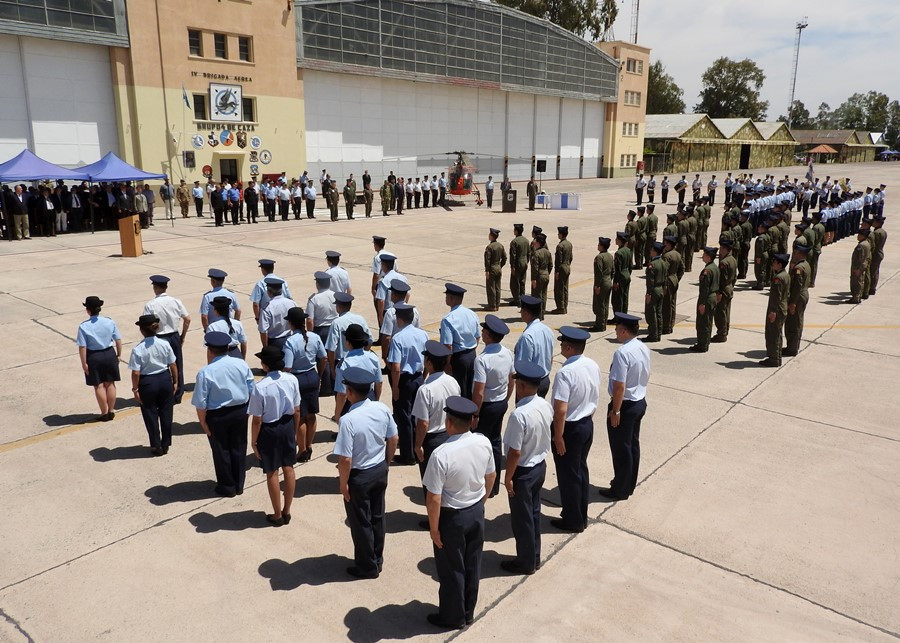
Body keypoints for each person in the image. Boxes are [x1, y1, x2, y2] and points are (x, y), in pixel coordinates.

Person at [423, 396, 495, 630]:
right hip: (475, 511)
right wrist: (480, 501)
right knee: (473, 564)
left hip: (452, 518)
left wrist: (434, 529)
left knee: (452, 568)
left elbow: (434, 498)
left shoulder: (441, 454)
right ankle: (467, 611)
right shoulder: (483, 442)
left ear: (449, 422)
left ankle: (452, 617)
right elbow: (491, 476)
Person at [334, 366, 399, 578]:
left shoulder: (348, 420)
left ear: (350, 392)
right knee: (378, 516)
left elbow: (345, 459)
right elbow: (393, 438)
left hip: (359, 477)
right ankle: (377, 558)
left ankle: (367, 566)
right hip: (379, 470)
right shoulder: (381, 409)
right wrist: (386, 462)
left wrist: (343, 484)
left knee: (361, 523)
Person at [499, 360, 552, 575]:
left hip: (523, 472)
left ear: (521, 387)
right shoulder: (544, 405)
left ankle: (525, 562)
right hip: (539, 467)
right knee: (534, 514)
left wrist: (508, 478)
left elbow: (514, 452)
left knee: (522, 521)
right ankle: (534, 556)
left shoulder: (519, 415)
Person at [549, 327, 601, 532]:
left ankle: (573, 520)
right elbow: (594, 395)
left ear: (569, 347)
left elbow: (560, 410)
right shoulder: (592, 365)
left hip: (569, 429)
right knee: (580, 471)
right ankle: (580, 513)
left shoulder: (565, 372)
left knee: (568, 475)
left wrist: (558, 436)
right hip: (586, 424)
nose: (561, 346)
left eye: (562, 344)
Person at [192, 331, 255, 497]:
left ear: (210, 350)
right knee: (239, 447)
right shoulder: (241, 364)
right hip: (240, 411)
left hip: (218, 416)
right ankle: (239, 483)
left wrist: (203, 423)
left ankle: (227, 486)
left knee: (221, 451)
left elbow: (200, 402)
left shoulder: (206, 372)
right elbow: (251, 390)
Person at [599, 313, 650, 501]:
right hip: (639, 402)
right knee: (632, 447)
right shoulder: (642, 347)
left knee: (621, 449)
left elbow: (620, 385)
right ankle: (628, 484)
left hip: (625, 406)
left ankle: (619, 489)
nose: (615, 330)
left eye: (617, 327)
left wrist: (616, 410)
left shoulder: (622, 353)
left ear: (623, 330)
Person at [471, 315, 514, 498]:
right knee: (495, 443)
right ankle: (495, 485)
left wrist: (474, 414)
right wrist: (505, 399)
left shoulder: (483, 360)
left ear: (489, 336)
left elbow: (479, 391)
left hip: (486, 407)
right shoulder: (507, 353)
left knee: (480, 445)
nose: (482, 333)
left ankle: (483, 484)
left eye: (484, 331)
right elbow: (512, 379)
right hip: (500, 403)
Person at [385, 302, 427, 465]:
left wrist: (395, 388)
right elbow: (426, 358)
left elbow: (395, 367)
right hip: (418, 377)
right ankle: (418, 449)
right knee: (418, 415)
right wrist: (423, 375)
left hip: (404, 380)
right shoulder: (422, 334)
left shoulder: (398, 338)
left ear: (400, 319)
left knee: (404, 417)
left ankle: (408, 455)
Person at [129, 314, 177, 456]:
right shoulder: (164, 344)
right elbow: (173, 364)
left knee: (150, 413)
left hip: (147, 382)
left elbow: (136, 373)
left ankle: (156, 445)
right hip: (164, 379)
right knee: (166, 412)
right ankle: (166, 443)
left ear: (142, 330)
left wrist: (135, 388)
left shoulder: (138, 349)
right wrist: (175, 381)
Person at [413, 341, 461, 484]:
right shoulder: (453, 382)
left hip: (432, 441)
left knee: (431, 484)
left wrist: (417, 446)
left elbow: (423, 423)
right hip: (451, 434)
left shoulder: (425, 390)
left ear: (428, 363)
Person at [283, 307, 326, 462]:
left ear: (291, 324)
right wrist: (319, 376)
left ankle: (301, 450)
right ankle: (308, 445)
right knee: (312, 414)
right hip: (312, 376)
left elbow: (287, 366)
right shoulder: (314, 337)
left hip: (297, 379)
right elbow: (324, 358)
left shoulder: (290, 341)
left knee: (300, 416)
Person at [143, 275, 190, 403]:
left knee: (162, 367)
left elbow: (146, 324)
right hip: (174, 336)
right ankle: (178, 393)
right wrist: (182, 336)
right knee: (177, 365)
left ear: (155, 288)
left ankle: (165, 392)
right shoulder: (176, 301)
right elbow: (187, 319)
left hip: (159, 337)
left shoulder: (150, 305)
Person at [76, 296, 122, 422]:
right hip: (109, 353)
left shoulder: (84, 326)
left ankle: (104, 412)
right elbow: (118, 339)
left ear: (88, 310)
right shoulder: (109, 321)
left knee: (99, 385)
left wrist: (84, 363)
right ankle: (111, 410)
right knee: (111, 383)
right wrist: (119, 355)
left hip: (94, 356)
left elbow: (82, 346)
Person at [333, 324, 382, 423]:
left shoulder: (344, 363)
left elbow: (342, 393)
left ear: (348, 343)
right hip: (369, 395)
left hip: (351, 402)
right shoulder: (373, 357)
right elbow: (379, 382)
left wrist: (337, 414)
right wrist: (375, 400)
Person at [440, 283, 480, 399]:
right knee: (469, 389)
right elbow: (477, 337)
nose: (446, 298)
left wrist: (447, 363)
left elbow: (448, 345)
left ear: (452, 298)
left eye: (447, 296)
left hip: (458, 359)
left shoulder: (448, 319)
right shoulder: (472, 314)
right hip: (472, 355)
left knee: (458, 391)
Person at [514, 295, 554, 398]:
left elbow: (524, 365)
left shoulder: (527, 336)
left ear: (526, 313)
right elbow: (550, 357)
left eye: (522, 311)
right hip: (544, 379)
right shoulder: (547, 330)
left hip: (529, 385)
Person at [761, 254, 790, 367]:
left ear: (779, 264)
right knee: (777, 334)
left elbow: (776, 297)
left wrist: (773, 312)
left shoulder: (778, 278)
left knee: (773, 334)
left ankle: (773, 359)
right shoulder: (785, 275)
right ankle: (777, 357)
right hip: (782, 307)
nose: (773, 264)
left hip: (776, 309)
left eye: (775, 262)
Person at [690, 247, 719, 353]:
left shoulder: (707, 271)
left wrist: (702, 303)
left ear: (708, 256)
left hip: (706, 299)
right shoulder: (715, 267)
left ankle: (702, 345)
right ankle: (705, 343)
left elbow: (704, 289)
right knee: (708, 322)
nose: (702, 256)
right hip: (713, 297)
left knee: (703, 323)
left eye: (704, 254)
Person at [712, 238, 737, 343]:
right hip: (730, 288)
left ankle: (721, 334)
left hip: (723, 290)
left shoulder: (724, 262)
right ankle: (725, 331)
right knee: (726, 311)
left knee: (720, 313)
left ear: (726, 249)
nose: (720, 250)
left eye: (721, 248)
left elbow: (722, 279)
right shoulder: (733, 259)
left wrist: (719, 292)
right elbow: (734, 277)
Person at [259, 277, 296, 350]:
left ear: (269, 291)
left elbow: (263, 331)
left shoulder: (267, 308)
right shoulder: (292, 303)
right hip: (290, 339)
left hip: (274, 343)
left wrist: (266, 348)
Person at [643, 242, 666, 342]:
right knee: (659, 313)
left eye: (652, 250)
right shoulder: (663, 262)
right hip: (661, 289)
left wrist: (649, 293)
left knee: (651, 313)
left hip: (654, 290)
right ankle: (658, 333)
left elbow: (650, 282)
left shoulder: (652, 265)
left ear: (655, 251)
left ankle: (653, 334)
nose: (650, 252)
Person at [592, 236, 614, 331]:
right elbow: (613, 270)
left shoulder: (599, 257)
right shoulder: (610, 256)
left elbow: (599, 273)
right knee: (605, 303)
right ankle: (603, 322)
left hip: (602, 283)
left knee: (599, 304)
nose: (598, 246)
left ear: (602, 246)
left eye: (599, 244)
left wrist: (597, 285)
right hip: (608, 281)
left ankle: (599, 325)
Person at [530, 233, 553, 318]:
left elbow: (535, 268)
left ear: (539, 243)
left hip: (538, 276)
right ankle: (542, 313)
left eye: (536, 241)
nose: (534, 243)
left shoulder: (537, 253)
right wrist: (546, 273)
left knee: (537, 296)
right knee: (544, 295)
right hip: (546, 275)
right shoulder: (548, 252)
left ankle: (538, 314)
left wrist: (533, 279)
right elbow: (551, 265)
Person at [484, 228, 507, 312]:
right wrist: (500, 266)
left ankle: (492, 305)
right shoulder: (500, 246)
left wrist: (487, 270)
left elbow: (487, 260)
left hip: (492, 268)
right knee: (497, 287)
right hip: (498, 268)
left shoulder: (489, 247)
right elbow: (504, 257)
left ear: (491, 236)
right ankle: (497, 304)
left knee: (491, 288)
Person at [552, 226, 573, 314]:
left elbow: (558, 261)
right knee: (565, 288)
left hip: (561, 268)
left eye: (559, 233)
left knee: (559, 288)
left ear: (561, 234)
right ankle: (564, 306)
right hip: (567, 266)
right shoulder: (569, 244)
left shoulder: (560, 246)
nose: (558, 235)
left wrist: (557, 271)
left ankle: (560, 307)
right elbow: (571, 257)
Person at [612, 231, 632, 316]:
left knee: (617, 299)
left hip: (620, 277)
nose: (615, 240)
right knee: (625, 297)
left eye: (617, 239)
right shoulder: (628, 250)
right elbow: (630, 266)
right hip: (627, 274)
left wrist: (616, 281)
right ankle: (624, 315)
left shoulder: (619, 253)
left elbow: (617, 269)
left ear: (620, 241)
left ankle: (618, 317)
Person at [849, 228, 871, 304]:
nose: (858, 236)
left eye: (859, 235)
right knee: (859, 281)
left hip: (858, 267)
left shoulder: (862, 245)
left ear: (863, 236)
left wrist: (858, 269)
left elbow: (861, 258)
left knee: (857, 282)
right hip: (860, 266)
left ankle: (856, 297)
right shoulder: (866, 243)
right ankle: (856, 296)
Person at [509, 223, 529, 306]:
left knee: (514, 283)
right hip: (524, 262)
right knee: (522, 281)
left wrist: (512, 266)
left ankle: (517, 299)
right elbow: (529, 253)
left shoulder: (514, 242)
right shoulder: (526, 240)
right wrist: (526, 261)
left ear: (517, 231)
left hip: (518, 263)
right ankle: (522, 297)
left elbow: (513, 255)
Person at [869, 214, 887, 296]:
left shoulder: (876, 233)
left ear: (878, 223)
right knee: (875, 271)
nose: (873, 222)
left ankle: (871, 288)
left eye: (874, 221)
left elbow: (872, 245)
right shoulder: (883, 231)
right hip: (879, 253)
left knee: (872, 271)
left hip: (875, 254)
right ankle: (872, 287)